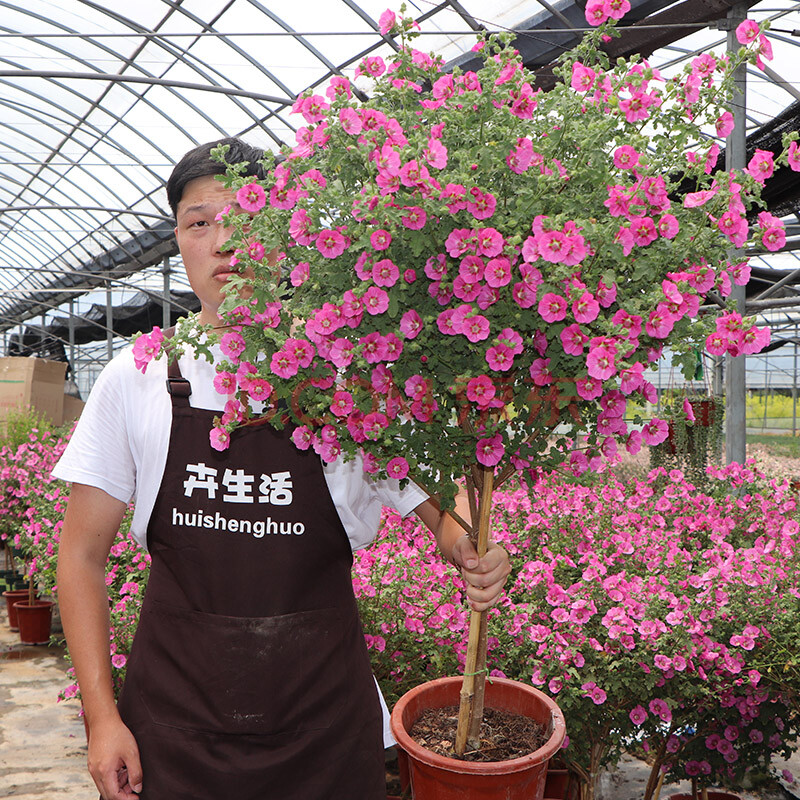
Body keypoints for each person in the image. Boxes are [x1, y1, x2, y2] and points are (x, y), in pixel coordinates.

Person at [54, 137, 511, 800]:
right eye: (198, 222)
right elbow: (80, 558)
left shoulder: (350, 381)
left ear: (284, 230)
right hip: (174, 738)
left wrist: (472, 550)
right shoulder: (139, 378)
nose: (222, 241)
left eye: (246, 217)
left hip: (322, 738)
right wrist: (102, 720)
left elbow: (440, 510)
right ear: (178, 241)